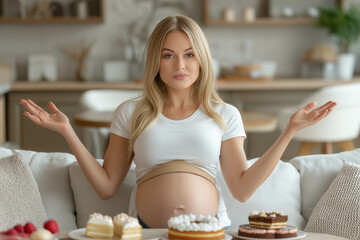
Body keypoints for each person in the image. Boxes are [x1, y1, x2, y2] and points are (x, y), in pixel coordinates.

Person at [20, 15, 336, 228]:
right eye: (168, 55)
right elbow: (106, 187)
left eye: (189, 54)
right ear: (156, 60)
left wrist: (289, 132)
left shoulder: (224, 113)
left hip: (210, 232)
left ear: (202, 58)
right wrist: (67, 132)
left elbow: (241, 188)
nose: (179, 65)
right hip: (146, 231)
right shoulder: (131, 112)